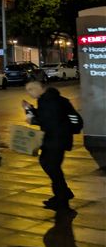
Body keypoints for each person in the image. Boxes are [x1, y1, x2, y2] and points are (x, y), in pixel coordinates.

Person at [23, 81, 75, 210]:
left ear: (40, 88)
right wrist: (30, 109)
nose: (29, 92)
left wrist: (32, 119)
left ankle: (62, 198)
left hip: (55, 139)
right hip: (57, 139)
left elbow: (49, 120)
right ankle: (62, 193)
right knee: (51, 166)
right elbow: (46, 116)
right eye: (27, 90)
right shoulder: (48, 99)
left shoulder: (49, 101)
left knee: (51, 166)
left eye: (31, 89)